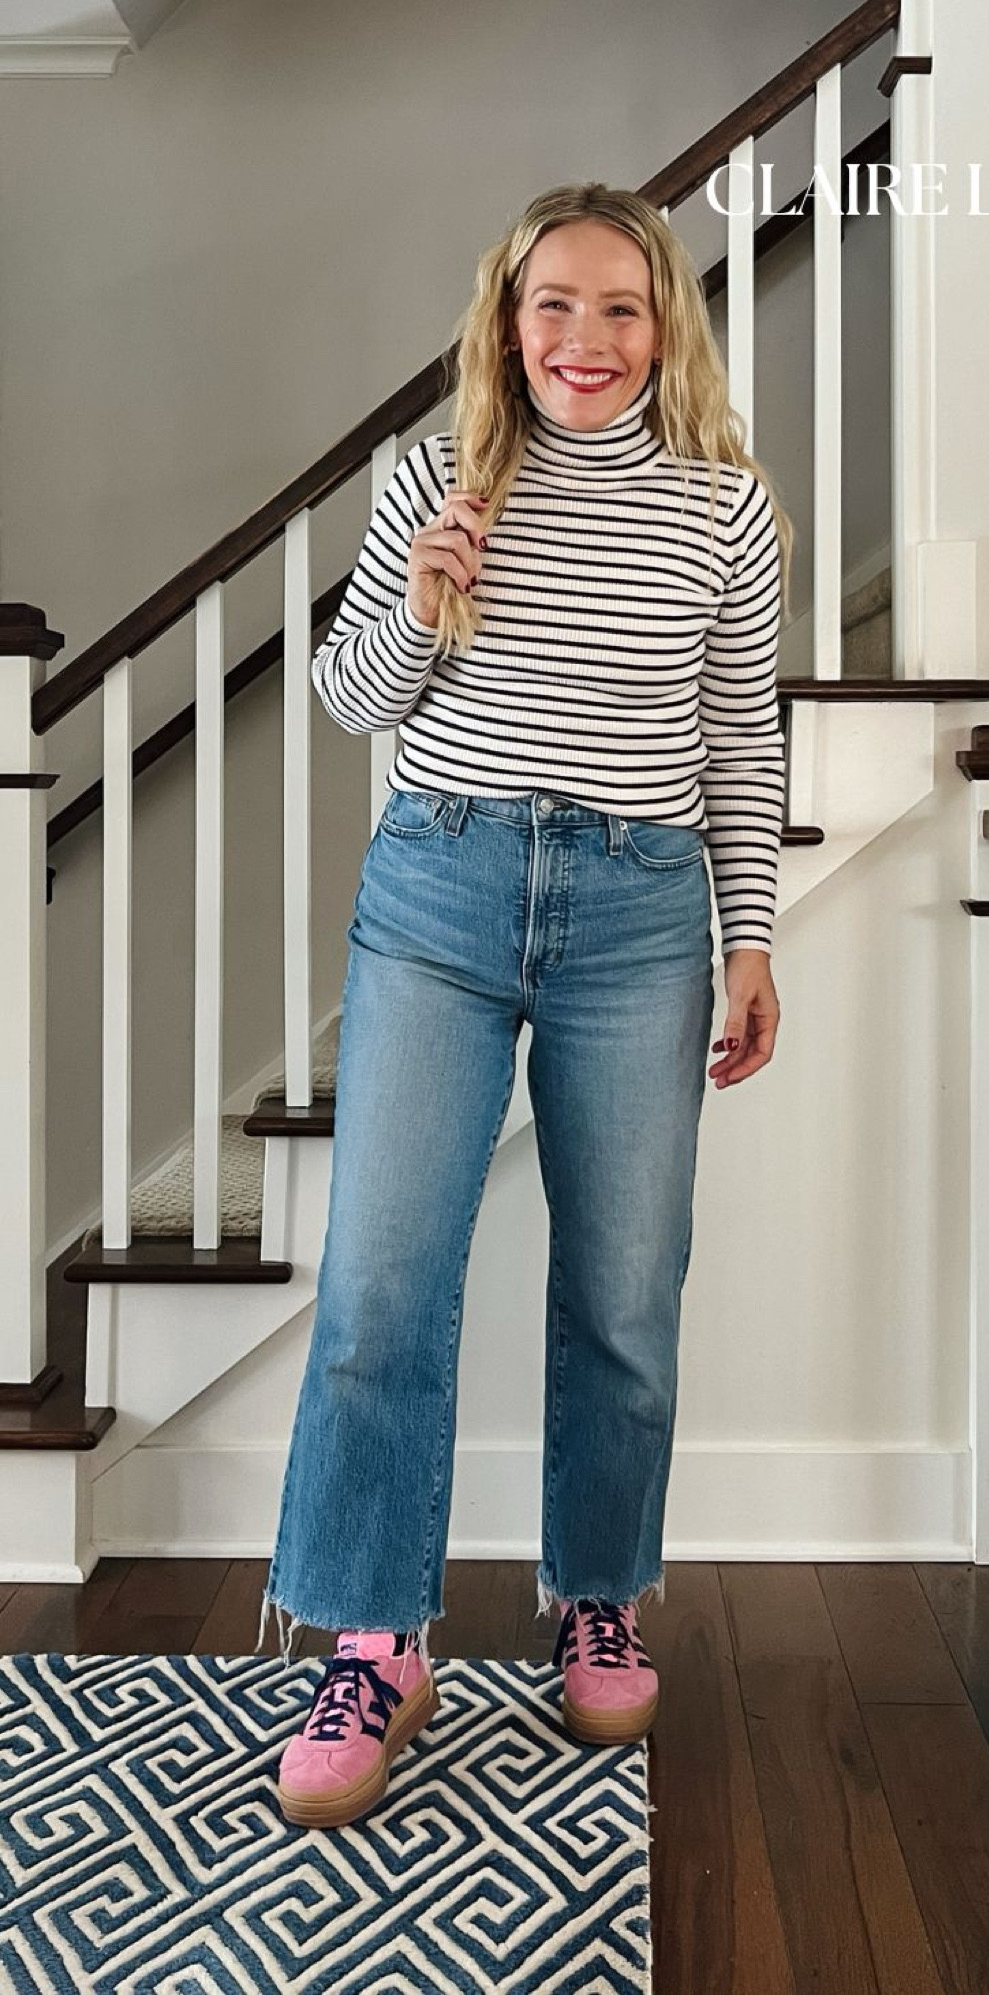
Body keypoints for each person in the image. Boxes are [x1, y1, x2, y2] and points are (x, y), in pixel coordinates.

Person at [255, 181, 795, 1830]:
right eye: (552, 305)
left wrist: (752, 939)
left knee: (627, 1287)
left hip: (640, 914)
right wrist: (418, 603)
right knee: (380, 1290)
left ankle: (600, 1592)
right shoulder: (436, 477)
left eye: (620, 308)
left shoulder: (726, 510)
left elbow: (741, 741)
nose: (585, 338)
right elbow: (355, 702)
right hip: (439, 889)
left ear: (664, 328)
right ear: (508, 322)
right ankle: (374, 1636)